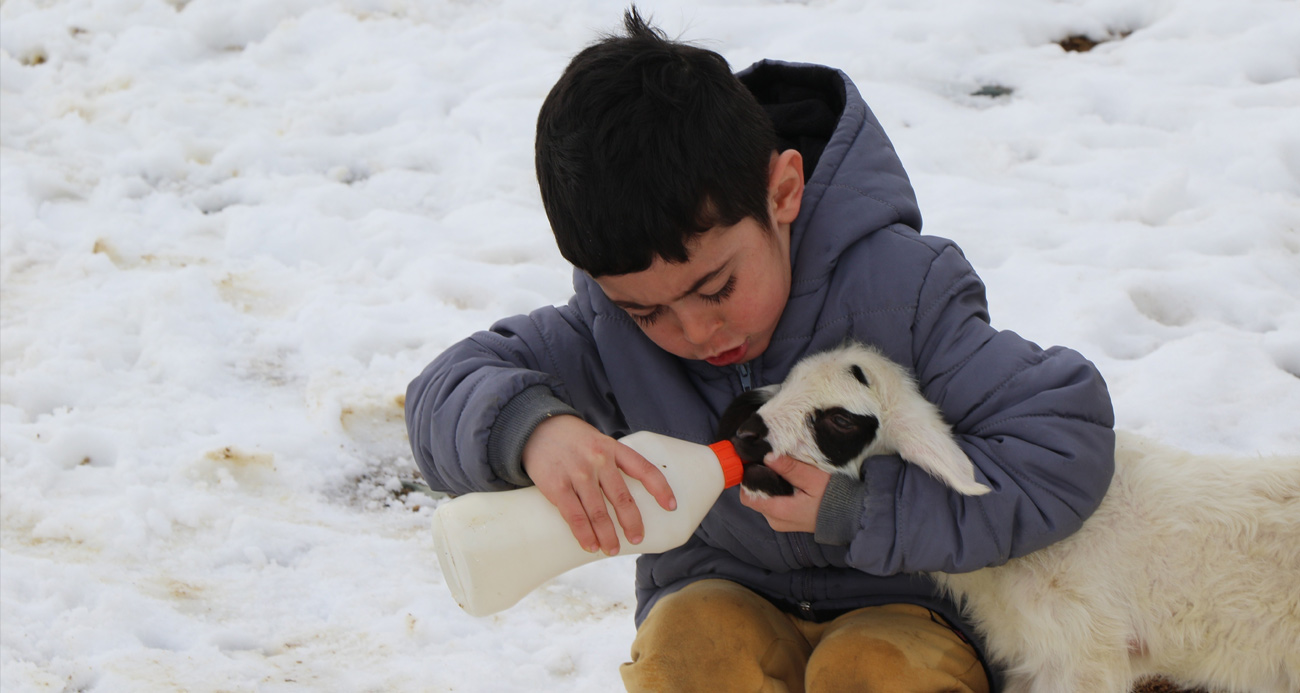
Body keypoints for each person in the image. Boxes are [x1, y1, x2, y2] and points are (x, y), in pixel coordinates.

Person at [406, 8, 1115, 692]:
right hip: (722, 591)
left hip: (910, 605)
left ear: (783, 191)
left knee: (872, 672)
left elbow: (1064, 446)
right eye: (648, 309)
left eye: (716, 287)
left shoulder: (903, 296)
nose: (695, 333)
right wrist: (534, 429)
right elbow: (445, 389)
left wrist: (861, 510)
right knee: (693, 653)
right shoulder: (605, 331)